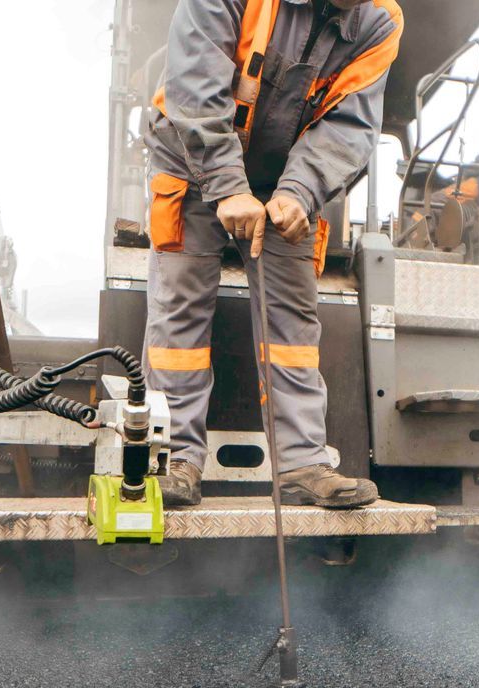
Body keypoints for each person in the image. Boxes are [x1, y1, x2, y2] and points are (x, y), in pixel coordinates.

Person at [141, 0, 404, 508]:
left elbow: (349, 127)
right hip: (191, 156)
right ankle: (175, 460)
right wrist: (226, 186)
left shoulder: (380, 21)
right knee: (180, 313)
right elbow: (195, 81)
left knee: (293, 327)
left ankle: (302, 464)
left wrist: (298, 194)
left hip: (284, 178)